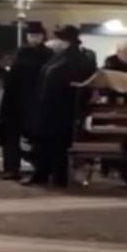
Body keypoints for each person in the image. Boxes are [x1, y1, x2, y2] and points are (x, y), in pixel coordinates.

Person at [31, 27, 95, 188]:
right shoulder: (59, 57)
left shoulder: (75, 59)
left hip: (61, 108)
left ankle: (57, 176)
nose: (54, 42)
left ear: (66, 41)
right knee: (46, 142)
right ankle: (43, 173)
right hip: (50, 107)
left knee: (58, 144)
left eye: (58, 39)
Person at [0, 22, 51, 181]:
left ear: (42, 37)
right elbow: (11, 78)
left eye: (37, 35)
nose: (34, 38)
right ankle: (12, 169)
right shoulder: (20, 53)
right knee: (10, 136)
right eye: (32, 35)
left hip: (36, 102)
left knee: (36, 137)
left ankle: (38, 169)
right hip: (16, 101)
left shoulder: (48, 55)